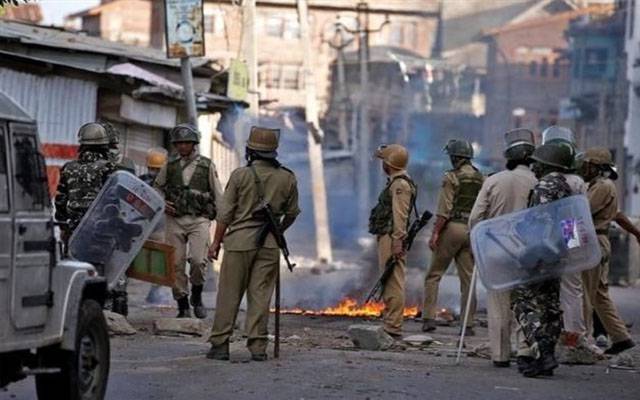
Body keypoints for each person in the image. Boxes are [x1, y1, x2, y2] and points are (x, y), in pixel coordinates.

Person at [206, 126, 300, 361]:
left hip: (238, 243)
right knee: (260, 296)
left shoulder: (240, 175)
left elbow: (225, 214)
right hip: (269, 245)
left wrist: (216, 243)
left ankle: (220, 345)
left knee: (229, 294)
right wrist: (277, 231)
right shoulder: (287, 177)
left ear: (250, 150)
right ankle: (258, 347)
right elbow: (292, 213)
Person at [469, 128, 537, 368]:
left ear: (509, 158)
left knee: (498, 303)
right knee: (525, 302)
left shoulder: (494, 180)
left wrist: (480, 241)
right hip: (528, 251)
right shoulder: (538, 182)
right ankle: (525, 349)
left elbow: (476, 218)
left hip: (496, 250)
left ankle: (500, 355)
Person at [512, 143, 575, 378]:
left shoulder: (544, 186)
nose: (534, 166)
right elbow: (571, 228)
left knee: (521, 298)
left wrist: (522, 231)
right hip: (557, 254)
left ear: (547, 164)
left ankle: (541, 348)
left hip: (539, 252)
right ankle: (546, 356)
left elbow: (537, 223)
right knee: (549, 305)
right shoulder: (566, 187)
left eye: (537, 162)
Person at [154, 124, 223, 318]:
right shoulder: (170, 165)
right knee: (175, 264)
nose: (183, 146)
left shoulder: (206, 165)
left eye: (187, 142)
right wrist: (162, 203)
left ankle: (197, 295)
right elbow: (157, 188)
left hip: (199, 219)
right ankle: (182, 305)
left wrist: (223, 222)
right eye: (179, 143)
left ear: (194, 144)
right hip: (174, 219)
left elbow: (218, 194)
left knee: (198, 260)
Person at [422, 139, 484, 335]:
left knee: (433, 275)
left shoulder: (451, 177)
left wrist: (435, 234)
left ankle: (429, 318)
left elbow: (443, 211)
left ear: (455, 158)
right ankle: (468, 324)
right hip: (472, 229)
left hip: (453, 228)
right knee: (468, 280)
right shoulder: (480, 177)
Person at [578, 148, 636, 355]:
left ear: (596, 167)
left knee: (585, 293)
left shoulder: (602, 187)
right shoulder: (599, 186)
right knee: (598, 294)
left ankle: (583, 340)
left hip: (593, 240)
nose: (583, 169)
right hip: (598, 240)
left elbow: (580, 212)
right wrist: (636, 232)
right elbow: (618, 215)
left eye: (587, 165)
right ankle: (621, 338)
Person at [368, 144, 416, 338]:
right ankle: (390, 320)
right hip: (388, 235)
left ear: (390, 164)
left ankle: (393, 326)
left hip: (391, 236)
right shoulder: (396, 182)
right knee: (389, 279)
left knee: (393, 281)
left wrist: (397, 240)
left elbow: (400, 215)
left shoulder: (400, 185)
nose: (382, 165)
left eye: (384, 161)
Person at [55, 122, 117, 249]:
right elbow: (115, 201)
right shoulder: (109, 167)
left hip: (74, 230)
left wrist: (63, 226)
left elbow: (60, 201)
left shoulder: (68, 168)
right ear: (104, 146)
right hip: (101, 232)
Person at [140, 148, 170, 305]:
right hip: (142, 227)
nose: (153, 172)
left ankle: (156, 291)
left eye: (157, 169)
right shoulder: (141, 182)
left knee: (159, 259)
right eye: (151, 168)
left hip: (160, 228)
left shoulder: (170, 184)